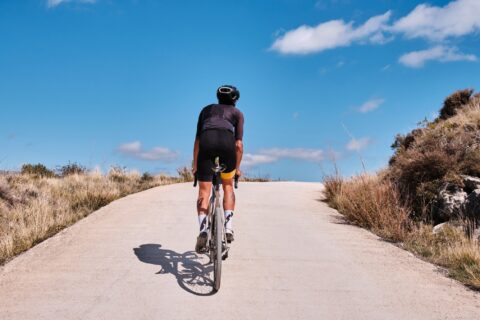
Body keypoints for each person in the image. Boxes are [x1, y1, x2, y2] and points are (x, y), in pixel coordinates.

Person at [192, 85, 244, 253]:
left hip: (206, 143)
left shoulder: (206, 110)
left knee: (204, 192)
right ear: (235, 99)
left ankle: (203, 230)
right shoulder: (237, 114)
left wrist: (195, 164)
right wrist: (237, 168)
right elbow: (239, 145)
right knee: (227, 185)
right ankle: (228, 228)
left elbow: (198, 141)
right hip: (227, 145)